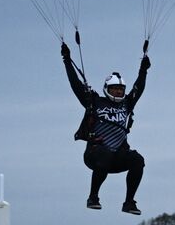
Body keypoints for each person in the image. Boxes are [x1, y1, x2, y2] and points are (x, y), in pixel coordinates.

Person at [62, 42, 150, 214]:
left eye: (121, 89)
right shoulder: (94, 102)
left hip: (117, 157)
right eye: (115, 89)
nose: (118, 92)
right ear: (107, 89)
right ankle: (93, 197)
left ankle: (129, 202)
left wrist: (143, 69)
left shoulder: (127, 104)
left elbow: (139, 88)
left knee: (138, 160)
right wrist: (67, 60)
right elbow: (76, 85)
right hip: (95, 155)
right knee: (105, 154)